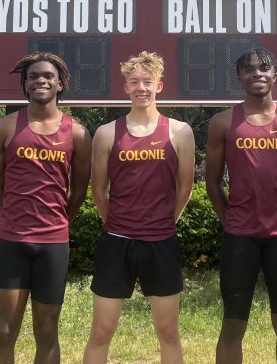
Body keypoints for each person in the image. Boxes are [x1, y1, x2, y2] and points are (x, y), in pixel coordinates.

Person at [83, 51, 196, 364]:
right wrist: (119, 223)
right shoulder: (107, 133)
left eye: (148, 81)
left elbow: (184, 189)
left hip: (161, 243)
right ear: (126, 88)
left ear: (160, 85)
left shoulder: (180, 132)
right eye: (135, 82)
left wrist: (162, 222)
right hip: (116, 243)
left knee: (168, 332)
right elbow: (98, 190)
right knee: (101, 332)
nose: (141, 87)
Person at [205, 48, 277, 364]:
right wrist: (230, 220)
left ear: (275, 75)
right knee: (233, 324)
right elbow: (213, 182)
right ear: (239, 77)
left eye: (264, 67)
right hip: (240, 237)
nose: (257, 73)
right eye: (249, 69)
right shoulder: (223, 122)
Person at [0, 52, 92, 364]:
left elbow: (80, 189)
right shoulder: (4, 129)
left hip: (53, 244)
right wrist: (13, 218)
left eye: (48, 76)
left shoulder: (77, 134)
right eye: (33, 76)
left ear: (60, 84)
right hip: (13, 241)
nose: (41, 81)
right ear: (25, 84)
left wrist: (59, 220)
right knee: (4, 330)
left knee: (47, 331)